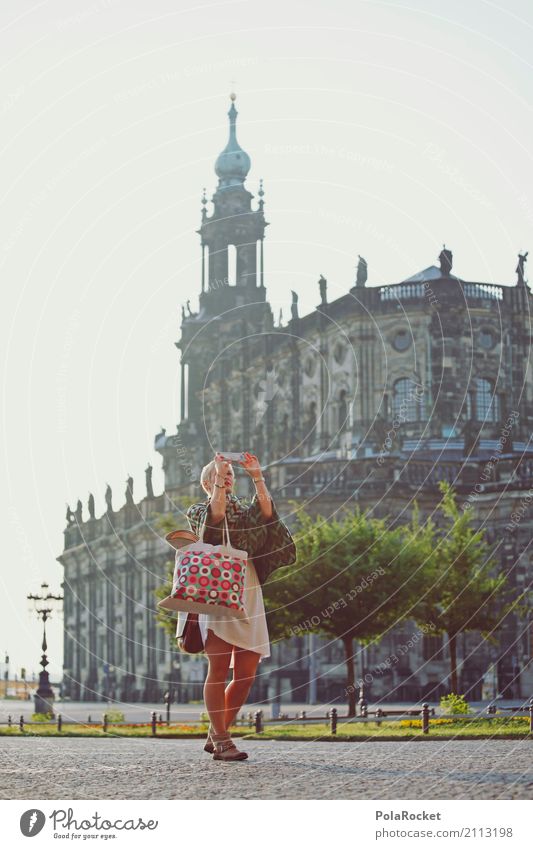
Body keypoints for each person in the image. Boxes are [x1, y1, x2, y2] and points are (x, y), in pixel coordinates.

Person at [182, 451, 296, 762]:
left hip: (248, 591)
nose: (228, 476)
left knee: (246, 672)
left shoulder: (246, 515)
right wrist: (219, 476)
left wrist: (257, 475)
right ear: (208, 481)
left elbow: (267, 513)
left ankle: (216, 731)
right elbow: (214, 518)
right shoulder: (198, 510)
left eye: (231, 474)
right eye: (221, 474)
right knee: (218, 669)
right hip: (217, 590)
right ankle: (221, 739)